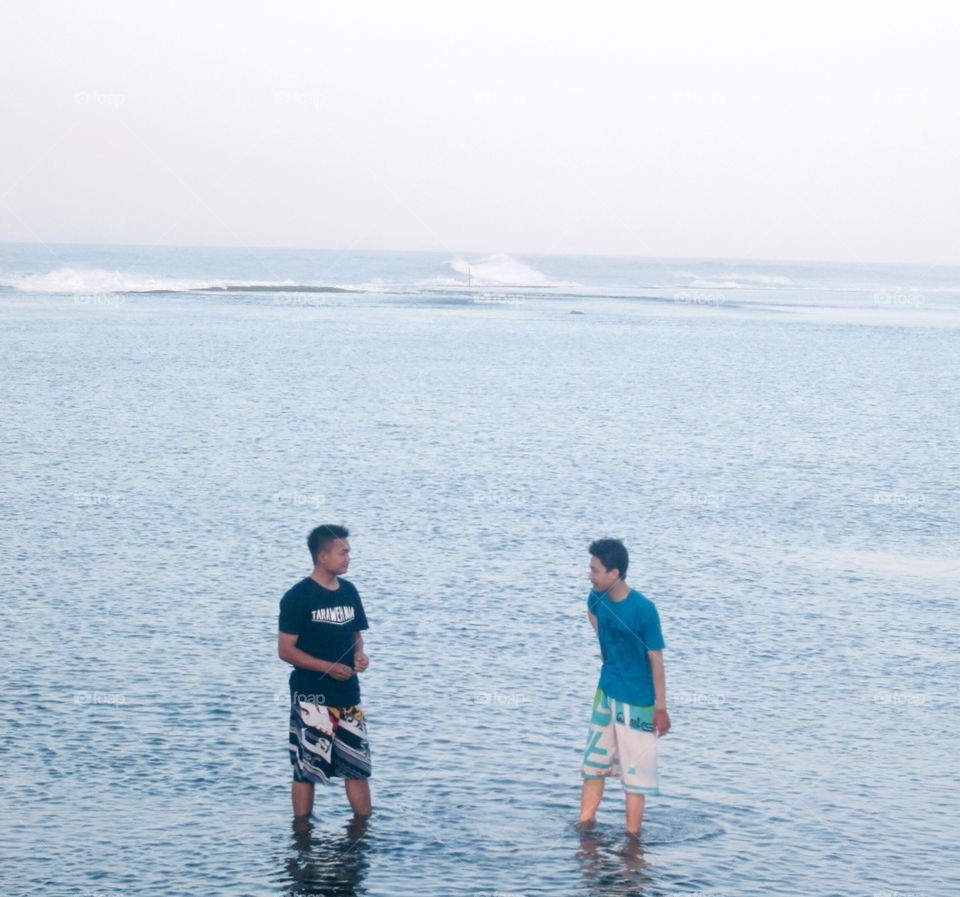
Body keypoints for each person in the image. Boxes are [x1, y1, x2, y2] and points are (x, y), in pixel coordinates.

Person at [278, 524, 372, 820]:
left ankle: (363, 830)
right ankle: (302, 835)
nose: (348, 558)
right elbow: (286, 650)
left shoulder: (349, 591)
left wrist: (359, 655)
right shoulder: (298, 596)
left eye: (349, 552)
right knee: (308, 770)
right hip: (312, 697)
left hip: (349, 697)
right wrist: (327, 668)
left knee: (357, 768)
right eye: (343, 552)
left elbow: (356, 634)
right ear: (322, 557)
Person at [579, 538, 670, 835]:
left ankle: (632, 841)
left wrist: (661, 708)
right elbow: (596, 623)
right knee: (593, 766)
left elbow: (656, 661)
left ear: (614, 573)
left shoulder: (644, 610)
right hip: (606, 694)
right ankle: (585, 825)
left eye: (595, 570)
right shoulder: (596, 599)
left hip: (639, 701)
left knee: (635, 777)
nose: (589, 575)